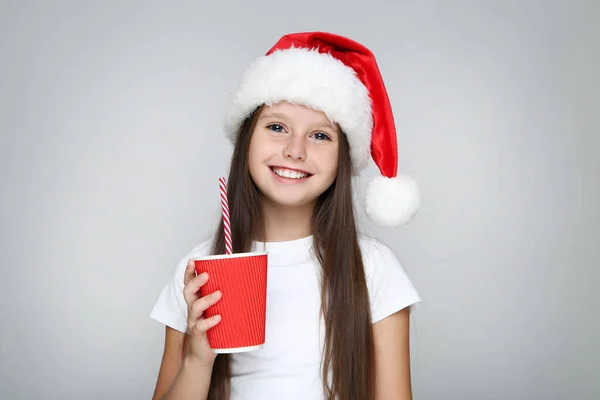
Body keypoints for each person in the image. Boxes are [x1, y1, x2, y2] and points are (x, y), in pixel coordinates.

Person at [150, 31, 422, 400]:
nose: (295, 150)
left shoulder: (374, 269)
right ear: (247, 137)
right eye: (277, 127)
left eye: (320, 136)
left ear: (342, 158)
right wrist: (197, 361)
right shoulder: (198, 270)